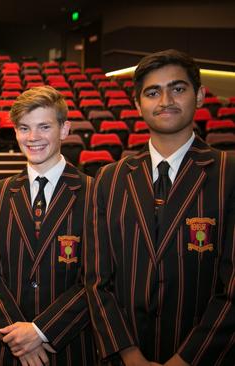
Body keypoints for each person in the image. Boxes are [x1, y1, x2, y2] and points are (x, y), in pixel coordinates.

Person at [85, 49, 235, 365]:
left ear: (201, 96)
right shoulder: (109, 179)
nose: (165, 99)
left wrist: (186, 359)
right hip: (125, 355)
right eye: (153, 92)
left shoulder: (228, 172)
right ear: (138, 104)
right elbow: (98, 280)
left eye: (177, 88)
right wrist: (128, 353)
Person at [0, 86, 95, 365]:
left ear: (64, 129)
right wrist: (21, 336)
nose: (33, 137)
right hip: (8, 345)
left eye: (44, 126)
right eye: (24, 128)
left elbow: (97, 277)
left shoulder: (94, 192)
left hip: (68, 345)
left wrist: (42, 331)